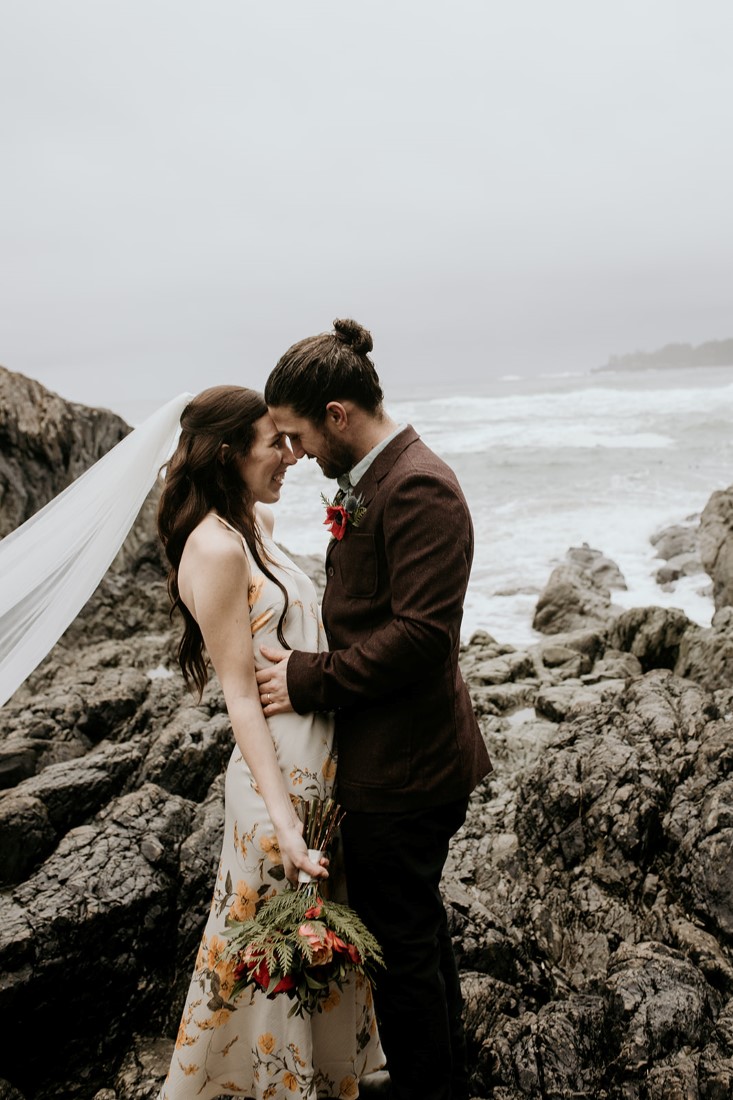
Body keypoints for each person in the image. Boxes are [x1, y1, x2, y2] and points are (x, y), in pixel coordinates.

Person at [256, 320, 493, 1100]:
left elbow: (422, 638)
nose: (295, 455)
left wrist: (306, 679)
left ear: (335, 414)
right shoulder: (369, 478)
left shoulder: (418, 485)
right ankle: (450, 1072)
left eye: (295, 436)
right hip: (391, 759)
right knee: (414, 936)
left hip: (410, 770)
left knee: (400, 958)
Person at [156, 386, 383, 1100]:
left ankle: (319, 1080)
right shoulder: (216, 549)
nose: (292, 455)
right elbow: (240, 698)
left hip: (319, 768)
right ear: (229, 454)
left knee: (312, 948)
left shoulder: (253, 523)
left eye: (290, 441)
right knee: (267, 951)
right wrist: (284, 823)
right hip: (275, 781)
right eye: (273, 444)